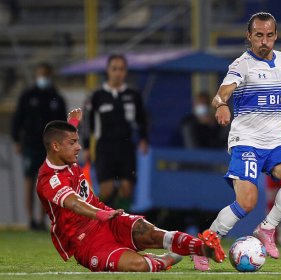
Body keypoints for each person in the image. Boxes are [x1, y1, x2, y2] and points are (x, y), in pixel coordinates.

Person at [36, 108, 225, 272]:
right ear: (55, 147)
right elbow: (74, 203)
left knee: (151, 232)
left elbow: (63, 136)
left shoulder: (63, 152)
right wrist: (99, 214)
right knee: (138, 265)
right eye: (73, 143)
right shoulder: (49, 180)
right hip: (85, 241)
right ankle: (162, 260)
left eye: (77, 141)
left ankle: (203, 249)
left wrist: (74, 121)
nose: (78, 147)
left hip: (107, 219)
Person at [192, 12, 281, 271]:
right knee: (247, 202)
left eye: (269, 35)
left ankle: (266, 229)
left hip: (275, 141)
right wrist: (222, 105)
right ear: (249, 36)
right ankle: (204, 244)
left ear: (276, 36)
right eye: (258, 35)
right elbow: (221, 94)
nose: (264, 41)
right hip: (246, 141)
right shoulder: (241, 64)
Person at [83, 54, 148, 211]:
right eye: (114, 69)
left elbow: (142, 119)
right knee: (107, 189)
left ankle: (123, 224)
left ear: (125, 72)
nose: (118, 73)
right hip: (104, 147)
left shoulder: (133, 95)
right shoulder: (96, 95)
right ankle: (102, 220)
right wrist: (85, 146)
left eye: (121, 69)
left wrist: (143, 138)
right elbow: (87, 122)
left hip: (126, 146)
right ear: (108, 70)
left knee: (127, 188)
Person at [11, 62, 67, 230]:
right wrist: (16, 139)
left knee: (47, 183)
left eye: (46, 74)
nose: (43, 78)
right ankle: (31, 219)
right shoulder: (27, 96)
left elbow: (63, 124)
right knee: (29, 180)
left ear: (50, 75)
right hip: (31, 144)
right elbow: (17, 118)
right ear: (36, 75)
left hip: (50, 147)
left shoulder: (56, 97)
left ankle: (43, 218)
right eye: (40, 74)